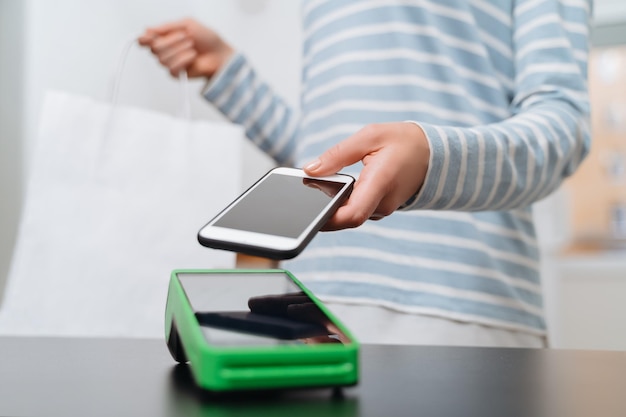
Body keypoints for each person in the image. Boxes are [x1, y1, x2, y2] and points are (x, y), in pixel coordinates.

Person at [139, 0, 591, 347]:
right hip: (311, 306)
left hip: (455, 312)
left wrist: (432, 159)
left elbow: (562, 128)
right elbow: (334, 161)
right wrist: (230, 75)